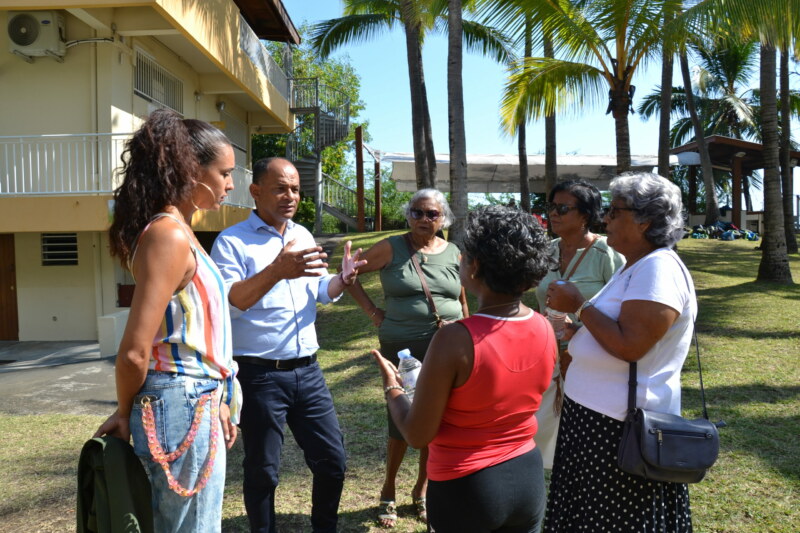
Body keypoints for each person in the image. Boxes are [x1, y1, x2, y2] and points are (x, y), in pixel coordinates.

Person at [94, 109, 239, 532]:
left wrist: (221, 401)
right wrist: (124, 412)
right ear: (192, 171)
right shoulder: (168, 235)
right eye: (224, 173)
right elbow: (135, 351)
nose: (230, 184)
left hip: (196, 401)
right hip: (181, 402)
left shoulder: (182, 231)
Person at [374, 205, 557, 533]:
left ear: (475, 266)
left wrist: (394, 388)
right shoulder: (544, 326)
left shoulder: (456, 339)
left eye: (465, 254)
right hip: (527, 478)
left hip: (467, 485)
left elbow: (417, 434)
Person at [210, 157, 366, 533]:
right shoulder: (232, 241)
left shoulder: (302, 235)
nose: (290, 196)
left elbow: (317, 289)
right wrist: (277, 270)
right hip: (260, 375)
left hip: (308, 372)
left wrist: (340, 281)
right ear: (256, 191)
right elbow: (232, 300)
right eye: (280, 188)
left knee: (332, 461)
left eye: (295, 188)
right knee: (263, 470)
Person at [543, 172, 697, 532]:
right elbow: (617, 328)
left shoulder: (659, 268)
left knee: (618, 519)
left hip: (619, 427)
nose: (605, 218)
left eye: (615, 211)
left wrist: (580, 306)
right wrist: (580, 332)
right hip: (598, 419)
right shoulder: (636, 264)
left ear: (645, 219)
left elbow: (631, 345)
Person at [346, 188, 469, 528]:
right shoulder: (392, 247)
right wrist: (373, 312)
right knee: (402, 417)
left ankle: (422, 490)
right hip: (402, 348)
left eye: (431, 214)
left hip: (447, 347)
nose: (424, 219)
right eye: (417, 212)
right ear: (408, 215)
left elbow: (461, 298)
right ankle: (388, 490)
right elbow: (350, 274)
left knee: (439, 418)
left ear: (443, 218)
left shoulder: (454, 251)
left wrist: (468, 330)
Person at [534, 180, 624, 469]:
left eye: (563, 208)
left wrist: (579, 325)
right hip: (546, 357)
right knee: (544, 432)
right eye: (551, 207)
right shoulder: (546, 252)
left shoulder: (607, 255)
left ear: (585, 215)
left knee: (581, 436)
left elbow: (621, 312)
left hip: (587, 358)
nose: (553, 214)